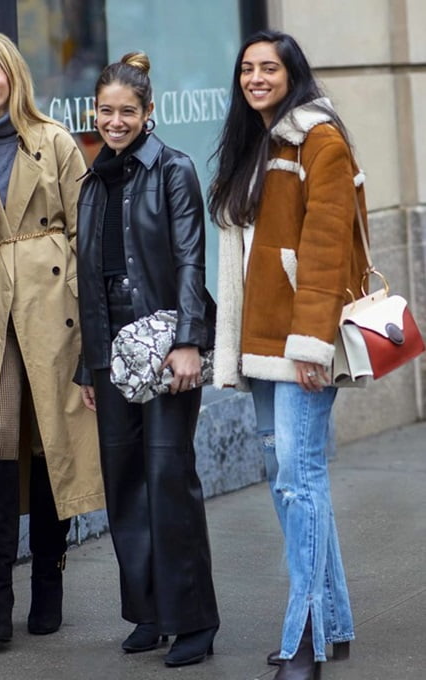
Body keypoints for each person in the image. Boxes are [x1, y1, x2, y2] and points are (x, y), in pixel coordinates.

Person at [209, 30, 367, 680]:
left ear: (291, 73)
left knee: (299, 483)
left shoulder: (318, 139)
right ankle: (334, 620)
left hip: (301, 344)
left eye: (268, 68)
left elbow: (327, 246)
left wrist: (311, 345)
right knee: (291, 482)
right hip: (262, 343)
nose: (255, 78)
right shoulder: (256, 144)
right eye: (246, 68)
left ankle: (305, 638)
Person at [0, 30, 105, 645]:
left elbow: (84, 234)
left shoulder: (54, 140)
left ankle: (49, 586)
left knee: (48, 451)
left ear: (12, 74)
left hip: (51, 313)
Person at [75, 52, 219, 668]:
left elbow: (190, 258)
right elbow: (90, 277)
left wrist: (189, 340)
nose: (115, 121)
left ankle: (194, 621)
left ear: (148, 113)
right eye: (106, 111)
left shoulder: (173, 170)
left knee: (167, 479)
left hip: (163, 346)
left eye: (126, 112)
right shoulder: (93, 179)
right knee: (125, 484)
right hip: (111, 355)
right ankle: (149, 612)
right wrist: (88, 364)